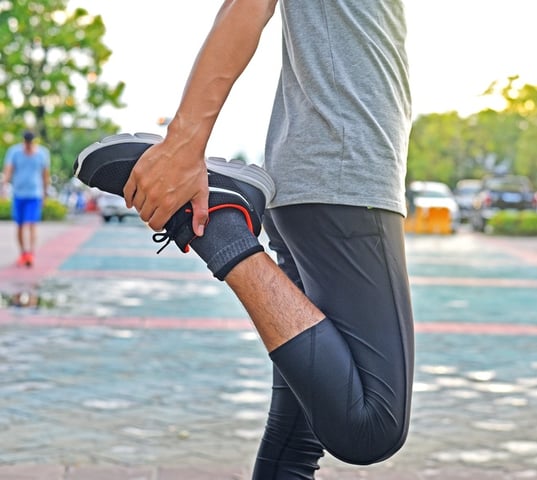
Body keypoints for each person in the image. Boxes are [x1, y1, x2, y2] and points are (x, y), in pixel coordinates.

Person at [74, 0, 413, 478]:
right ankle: (224, 229)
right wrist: (183, 146)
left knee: (295, 444)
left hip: (316, 177)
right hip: (345, 172)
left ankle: (228, 220)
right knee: (371, 425)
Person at [3, 130, 51, 268]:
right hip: (18, 194)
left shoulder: (42, 153)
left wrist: (45, 194)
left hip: (34, 194)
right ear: (23, 140)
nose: (28, 145)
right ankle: (23, 253)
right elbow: (8, 170)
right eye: (26, 142)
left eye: (30, 142)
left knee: (30, 224)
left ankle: (31, 253)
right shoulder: (14, 152)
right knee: (19, 225)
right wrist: (4, 187)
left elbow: (45, 175)